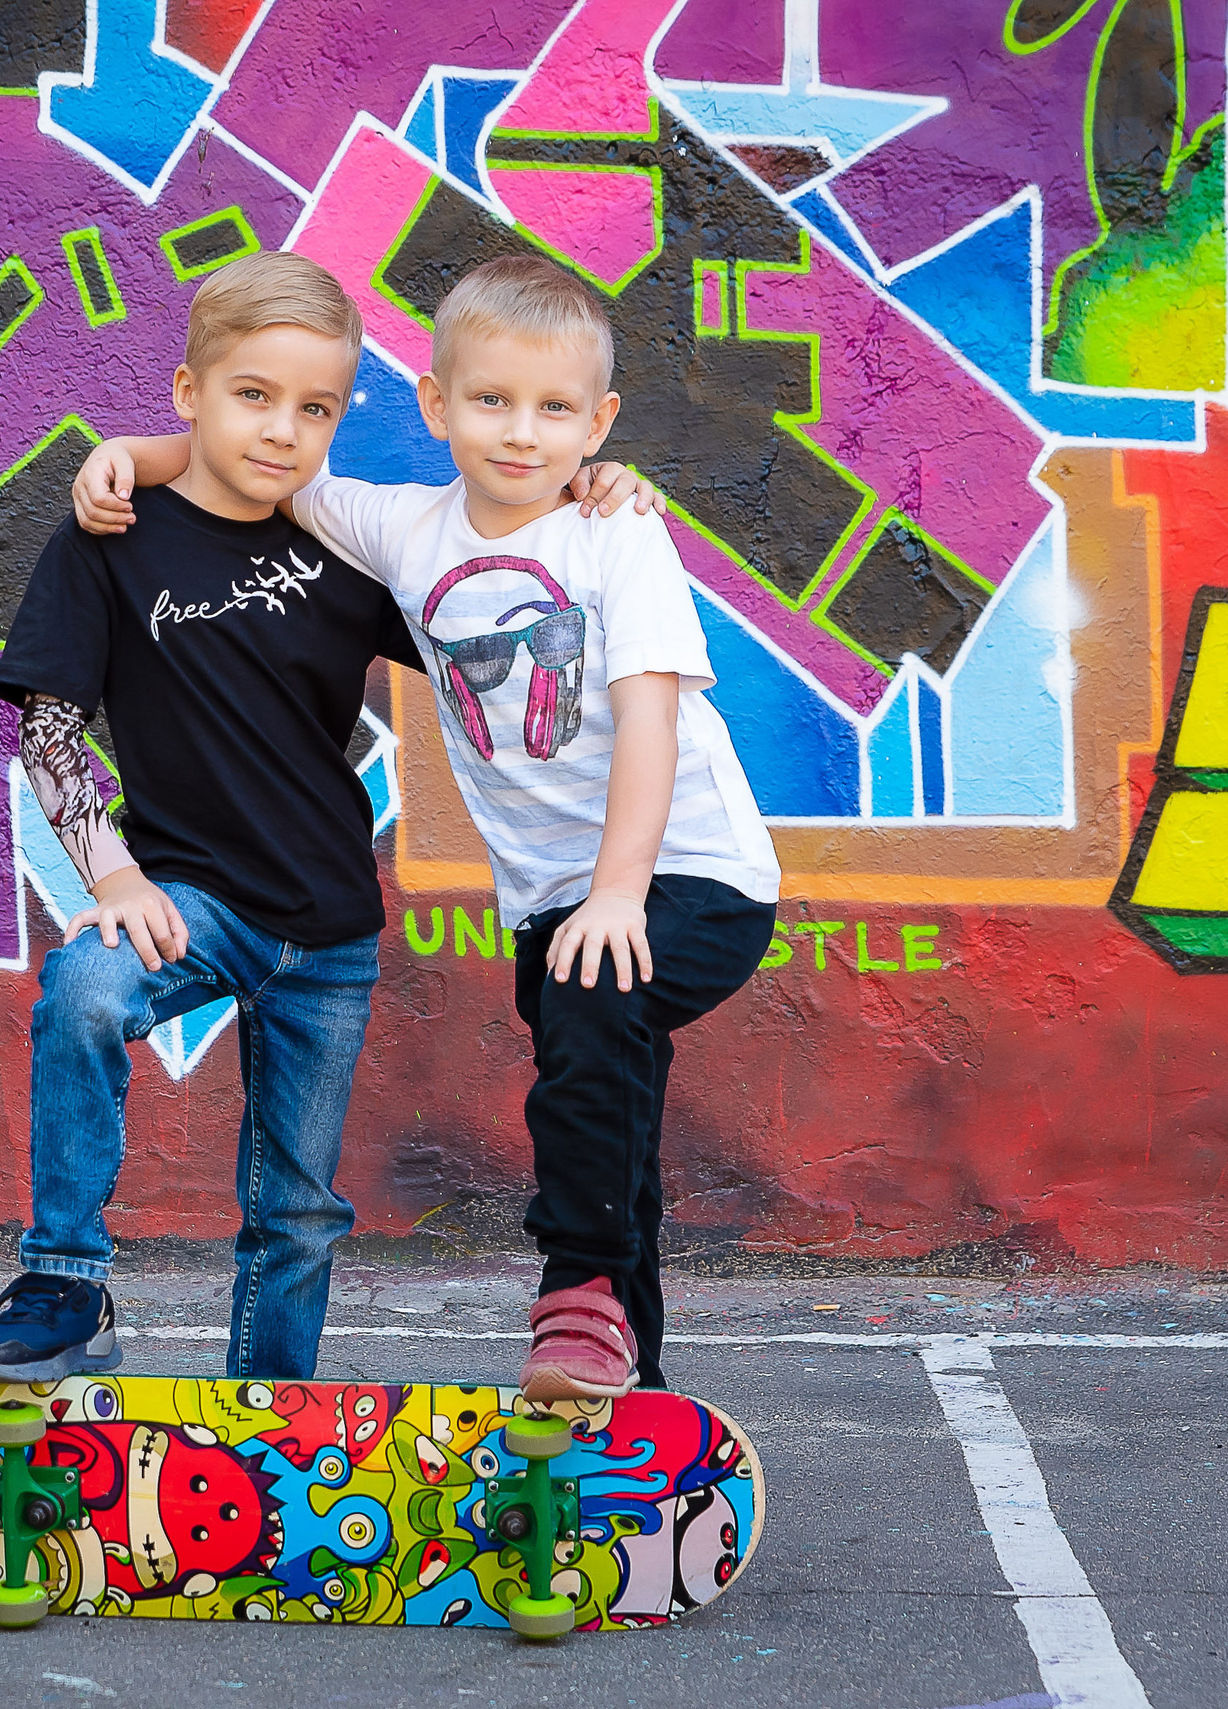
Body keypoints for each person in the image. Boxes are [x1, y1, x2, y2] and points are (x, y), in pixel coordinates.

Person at [72, 254, 781, 1401]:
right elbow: (251, 474)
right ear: (435, 405)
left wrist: (614, 893)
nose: (521, 431)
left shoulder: (617, 537)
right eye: (492, 400)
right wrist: (128, 459)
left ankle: (579, 1296)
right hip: (556, 898)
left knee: (596, 1009)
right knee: (606, 1090)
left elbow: (651, 723)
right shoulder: (399, 527)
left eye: (555, 410)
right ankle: (622, 1383)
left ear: (596, 424)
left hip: (689, 870)